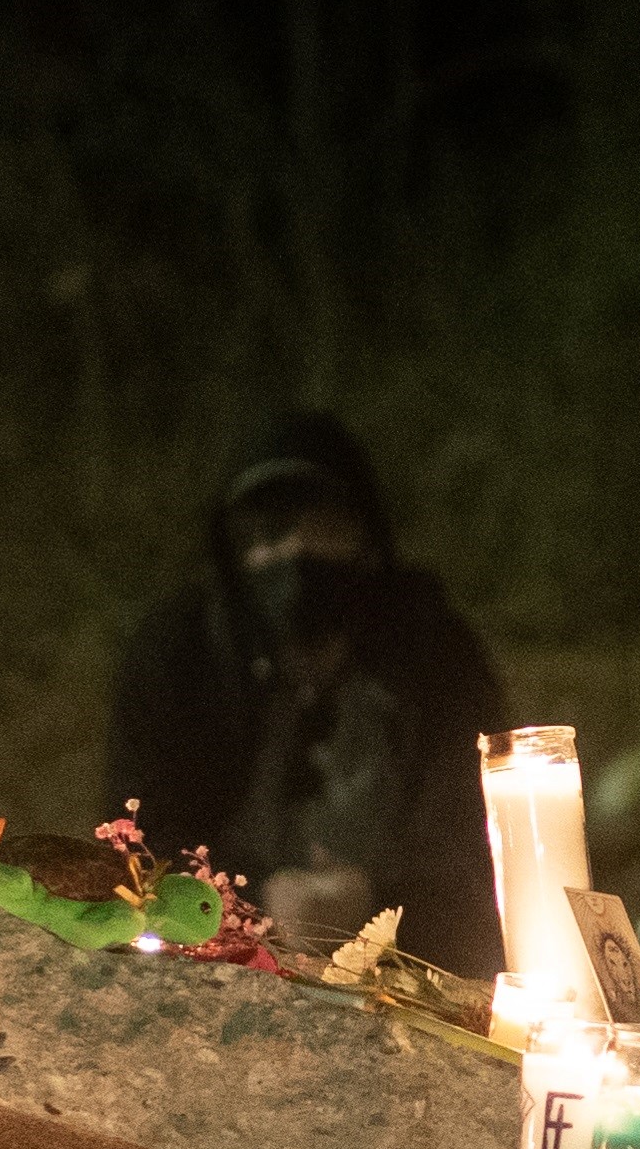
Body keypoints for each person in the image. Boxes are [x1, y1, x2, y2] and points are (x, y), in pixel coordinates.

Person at [103, 412, 511, 973]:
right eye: (269, 533)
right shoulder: (183, 653)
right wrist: (258, 896)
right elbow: (138, 836)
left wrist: (377, 897)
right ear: (236, 551)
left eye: (320, 525)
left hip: (410, 964)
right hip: (215, 960)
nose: (295, 552)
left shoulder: (431, 649)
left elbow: (477, 837)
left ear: (363, 535)